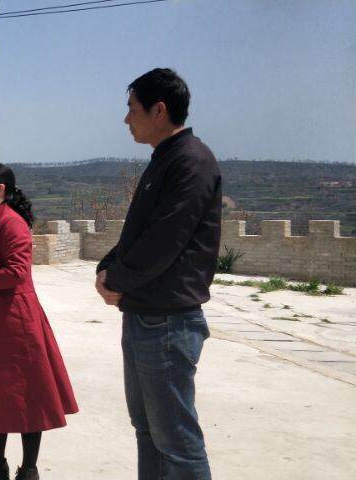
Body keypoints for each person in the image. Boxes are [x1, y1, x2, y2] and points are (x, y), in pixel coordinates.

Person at [96, 68, 220, 480]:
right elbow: (139, 232)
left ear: (159, 110)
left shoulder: (191, 161)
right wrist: (106, 268)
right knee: (148, 431)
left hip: (167, 322)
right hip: (144, 315)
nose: (126, 119)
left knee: (177, 442)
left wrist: (116, 280)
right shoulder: (164, 159)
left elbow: (164, 241)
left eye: (132, 109)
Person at [0, 162, 78, 480]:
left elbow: (17, 271)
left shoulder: (12, 223)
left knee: (27, 394)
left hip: (15, 324)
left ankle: (29, 469)